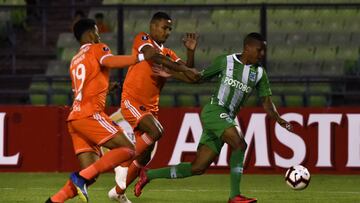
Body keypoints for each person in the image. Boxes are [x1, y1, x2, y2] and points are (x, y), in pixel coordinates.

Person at [134, 32, 294, 203]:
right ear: (247, 48)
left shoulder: (260, 73)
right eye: (259, 50)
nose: (262, 54)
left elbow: (266, 101)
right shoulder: (226, 61)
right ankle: (235, 196)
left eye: (264, 51)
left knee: (198, 167)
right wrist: (177, 68)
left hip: (225, 118)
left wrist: (278, 118)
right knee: (239, 143)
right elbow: (197, 78)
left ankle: (148, 174)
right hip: (214, 111)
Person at [45, 18, 156, 203]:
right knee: (128, 148)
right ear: (90, 33)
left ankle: (54, 201)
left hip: (75, 119)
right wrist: (141, 57)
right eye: (96, 32)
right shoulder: (98, 48)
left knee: (91, 174)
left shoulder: (74, 60)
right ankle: (79, 178)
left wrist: (105, 88)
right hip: (90, 114)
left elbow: (84, 87)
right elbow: (110, 61)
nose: (99, 36)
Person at [107, 11, 199, 203]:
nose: (167, 32)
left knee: (144, 158)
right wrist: (178, 69)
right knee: (157, 131)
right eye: (164, 27)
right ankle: (122, 165)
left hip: (150, 108)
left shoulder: (169, 53)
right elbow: (153, 57)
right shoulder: (142, 39)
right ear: (153, 26)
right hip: (132, 101)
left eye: (170, 29)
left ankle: (118, 192)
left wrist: (189, 53)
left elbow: (191, 76)